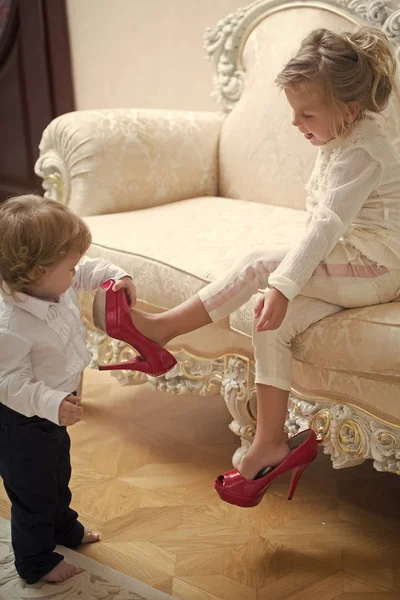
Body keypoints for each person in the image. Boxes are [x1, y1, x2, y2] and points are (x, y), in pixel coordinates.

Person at [123, 27, 400, 503]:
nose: (295, 123)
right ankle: (270, 440)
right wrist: (283, 294)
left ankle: (162, 331)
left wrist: (284, 282)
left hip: (376, 269)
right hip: (350, 266)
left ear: (350, 110)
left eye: (306, 113)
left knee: (259, 266)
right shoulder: (338, 139)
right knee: (266, 318)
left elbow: (326, 226)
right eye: (293, 111)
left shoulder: (364, 150)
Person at [0, 195, 136, 583]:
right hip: (20, 422)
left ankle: (64, 529)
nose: (77, 273)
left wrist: (116, 276)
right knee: (33, 493)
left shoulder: (51, 282)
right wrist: (50, 402)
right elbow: (6, 382)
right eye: (70, 266)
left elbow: (90, 270)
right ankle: (35, 562)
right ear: (39, 270)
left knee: (58, 475)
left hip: (56, 410)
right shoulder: (10, 325)